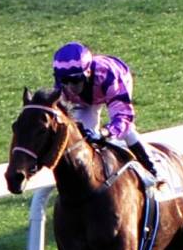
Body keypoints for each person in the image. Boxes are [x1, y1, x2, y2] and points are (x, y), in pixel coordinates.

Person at [51, 41, 166, 189]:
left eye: (75, 80)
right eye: (64, 81)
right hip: (86, 100)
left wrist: (105, 132)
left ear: (87, 73)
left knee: (127, 131)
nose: (70, 86)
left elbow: (124, 117)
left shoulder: (109, 76)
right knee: (82, 134)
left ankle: (153, 167)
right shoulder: (62, 84)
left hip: (116, 81)